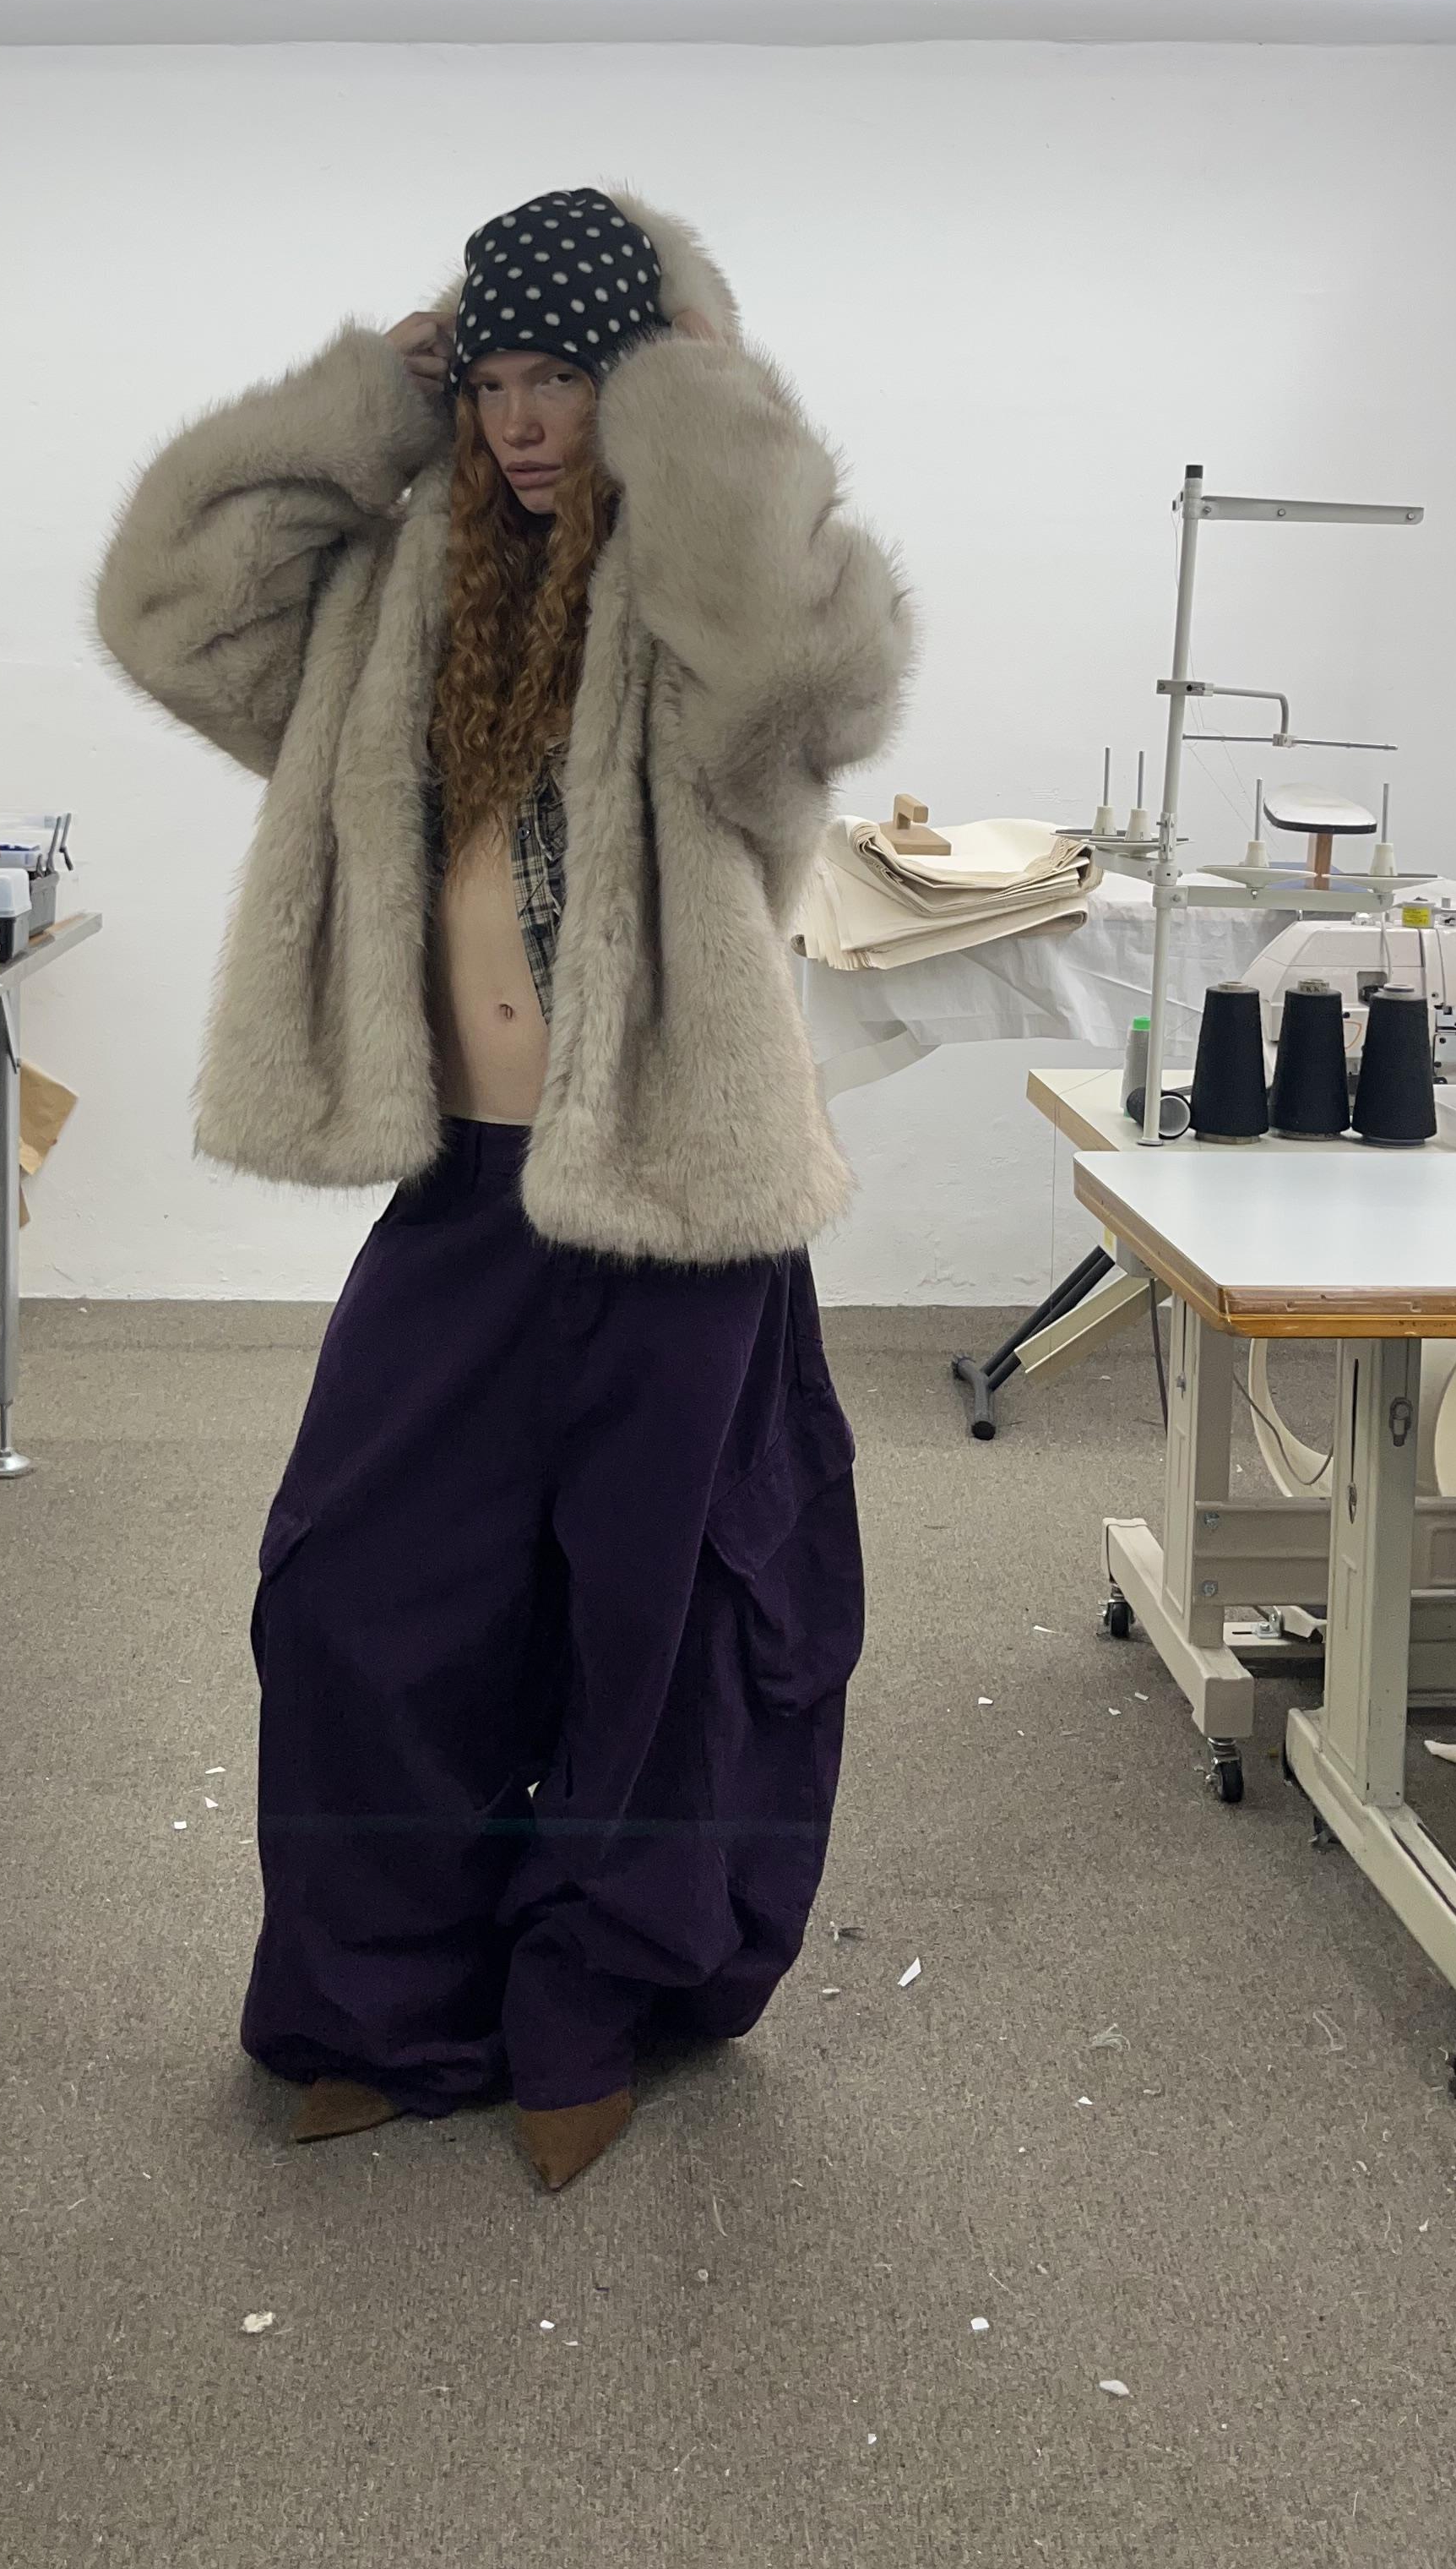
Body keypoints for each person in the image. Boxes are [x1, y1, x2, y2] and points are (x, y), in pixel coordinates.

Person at [95, 186, 910, 2191]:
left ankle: (590, 2001)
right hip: (467, 1192)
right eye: (500, 382)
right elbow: (170, 613)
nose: (529, 421)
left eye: (570, 381)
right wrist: (368, 401)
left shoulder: (696, 606)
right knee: (355, 1599)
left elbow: (817, 683)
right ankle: (380, 1998)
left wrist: (703, 401)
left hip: (683, 1198)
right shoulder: (401, 596)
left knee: (661, 1627)